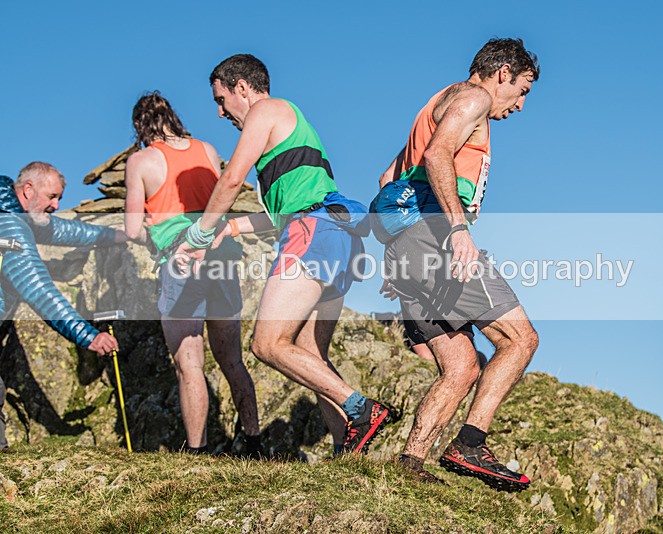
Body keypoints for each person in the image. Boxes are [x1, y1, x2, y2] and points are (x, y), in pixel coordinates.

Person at [175, 54, 396, 457]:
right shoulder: (289, 131)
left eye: (221, 100)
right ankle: (348, 451)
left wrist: (199, 233)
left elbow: (231, 178)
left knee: (268, 343)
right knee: (310, 353)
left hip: (313, 233)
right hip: (335, 236)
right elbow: (286, 210)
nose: (220, 112)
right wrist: (231, 227)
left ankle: (362, 410)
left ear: (242, 86)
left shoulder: (266, 110)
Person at [374, 38, 540, 490]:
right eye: (523, 89)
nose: (520, 104)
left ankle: (409, 463)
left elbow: (389, 179)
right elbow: (436, 155)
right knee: (520, 340)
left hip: (410, 245)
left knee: (463, 365)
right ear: (503, 72)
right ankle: (469, 444)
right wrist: (456, 230)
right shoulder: (475, 98)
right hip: (437, 240)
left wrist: (398, 255)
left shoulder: (438, 100)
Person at [124, 91, 263, 457]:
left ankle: (198, 453)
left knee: (190, 365)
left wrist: (154, 227)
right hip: (221, 256)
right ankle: (254, 442)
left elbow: (131, 229)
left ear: (140, 125)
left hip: (181, 260)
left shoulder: (141, 161)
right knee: (232, 359)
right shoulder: (207, 149)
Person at [0, 162, 124, 451]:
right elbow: (39, 291)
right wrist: (89, 336)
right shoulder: (10, 225)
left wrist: (114, 236)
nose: (56, 205)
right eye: (52, 196)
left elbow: (65, 231)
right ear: (28, 189)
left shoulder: (14, 213)